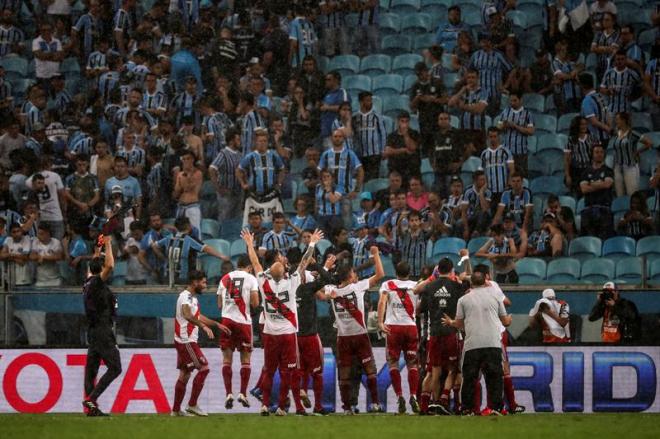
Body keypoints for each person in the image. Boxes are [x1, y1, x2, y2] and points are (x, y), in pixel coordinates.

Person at [241, 228, 322, 416]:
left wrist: (249, 244)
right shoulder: (292, 281)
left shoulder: (262, 281)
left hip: (270, 333)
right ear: (283, 271)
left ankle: (265, 405)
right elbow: (304, 262)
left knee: (269, 371)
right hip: (287, 334)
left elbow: (254, 262)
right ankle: (280, 407)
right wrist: (312, 243)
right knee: (287, 372)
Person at [441, 269, 512, 416]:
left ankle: (467, 409)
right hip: (493, 342)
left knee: (469, 378)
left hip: (472, 344)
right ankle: (497, 408)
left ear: (471, 282)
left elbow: (460, 324)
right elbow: (505, 322)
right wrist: (509, 320)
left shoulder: (464, 299)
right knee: (495, 377)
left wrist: (451, 322)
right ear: (485, 281)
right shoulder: (495, 297)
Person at [326, 245, 385, 414]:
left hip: (343, 337)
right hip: (360, 336)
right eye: (353, 273)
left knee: (344, 373)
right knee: (370, 370)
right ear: (350, 276)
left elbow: (319, 292)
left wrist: (325, 269)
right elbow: (380, 275)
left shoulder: (332, 291)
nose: (355, 275)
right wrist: (375, 254)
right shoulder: (357, 287)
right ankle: (374, 403)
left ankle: (346, 408)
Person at [171, 270, 228, 417]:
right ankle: (192, 404)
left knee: (185, 374)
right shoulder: (185, 296)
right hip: (186, 341)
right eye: (203, 282)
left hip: (186, 340)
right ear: (194, 282)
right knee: (204, 368)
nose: (205, 285)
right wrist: (203, 327)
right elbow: (186, 314)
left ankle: (176, 411)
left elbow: (197, 316)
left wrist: (216, 324)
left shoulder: (193, 298)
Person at [82, 235, 121, 417]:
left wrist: (98, 248)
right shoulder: (97, 283)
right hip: (103, 331)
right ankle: (92, 399)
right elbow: (110, 266)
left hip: (93, 331)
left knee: (92, 370)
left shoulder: (88, 282)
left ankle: (91, 409)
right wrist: (108, 244)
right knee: (115, 368)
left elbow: (95, 265)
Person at [294, 253, 337, 416]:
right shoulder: (306, 288)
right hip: (310, 336)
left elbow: (320, 294)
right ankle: (318, 406)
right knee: (317, 372)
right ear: (304, 279)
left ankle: (299, 403)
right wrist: (322, 266)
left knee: (300, 371)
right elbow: (325, 279)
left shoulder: (289, 289)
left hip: (295, 336)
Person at [217, 255, 260, 410]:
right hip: (243, 322)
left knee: (227, 359)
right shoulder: (251, 278)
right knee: (245, 358)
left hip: (226, 320)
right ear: (249, 267)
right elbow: (255, 303)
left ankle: (228, 393)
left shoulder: (225, 278)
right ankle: (242, 393)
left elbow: (219, 303)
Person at [377, 262, 421, 414]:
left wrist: (380, 322)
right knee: (412, 364)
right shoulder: (416, 286)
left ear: (396, 272)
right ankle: (414, 395)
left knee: (393, 363)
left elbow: (382, 302)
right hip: (410, 326)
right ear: (409, 272)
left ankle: (399, 396)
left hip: (393, 327)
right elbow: (420, 306)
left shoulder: (388, 284)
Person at [610, 112, 652, 197]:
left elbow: (649, 143)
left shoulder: (633, 133)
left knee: (632, 193)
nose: (616, 121)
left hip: (630, 166)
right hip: (618, 167)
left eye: (617, 119)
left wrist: (637, 152)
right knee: (619, 194)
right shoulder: (616, 133)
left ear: (624, 120)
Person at [580, 143, 615, 239]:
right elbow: (584, 189)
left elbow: (607, 184)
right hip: (589, 208)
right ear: (592, 154)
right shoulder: (586, 172)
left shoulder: (608, 171)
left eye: (601, 152)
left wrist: (591, 183)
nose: (599, 154)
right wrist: (599, 183)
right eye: (596, 152)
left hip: (605, 208)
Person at [497, 91, 535, 177]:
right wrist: (504, 125)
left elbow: (531, 131)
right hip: (506, 152)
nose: (512, 103)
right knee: (506, 176)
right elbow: (498, 128)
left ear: (521, 100)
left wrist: (515, 126)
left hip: (521, 152)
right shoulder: (505, 112)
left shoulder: (527, 114)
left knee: (521, 176)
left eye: (515, 100)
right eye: (511, 101)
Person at [353, 91, 387, 181]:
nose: (370, 102)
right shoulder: (355, 117)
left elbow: (383, 133)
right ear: (361, 102)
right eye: (367, 100)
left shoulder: (376, 116)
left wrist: (383, 149)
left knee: (373, 179)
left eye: (370, 100)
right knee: (362, 179)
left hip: (374, 153)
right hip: (360, 153)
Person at [384, 111, 422, 184]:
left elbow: (412, 148)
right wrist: (403, 150)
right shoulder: (392, 136)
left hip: (412, 170)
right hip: (396, 170)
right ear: (398, 122)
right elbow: (388, 151)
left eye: (406, 121)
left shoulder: (415, 134)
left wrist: (405, 134)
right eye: (402, 121)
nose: (404, 124)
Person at [564, 116, 598, 196]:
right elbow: (567, 159)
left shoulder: (592, 138)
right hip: (576, 171)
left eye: (585, 124)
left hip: (589, 170)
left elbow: (598, 154)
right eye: (581, 124)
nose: (584, 126)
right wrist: (567, 175)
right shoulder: (571, 140)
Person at [481, 127, 515, 204]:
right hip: (489, 190)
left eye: (495, 136)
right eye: (491, 137)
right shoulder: (484, 153)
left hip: (503, 189)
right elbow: (483, 172)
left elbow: (512, 170)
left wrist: (508, 185)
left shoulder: (506, 151)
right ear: (487, 137)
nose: (493, 139)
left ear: (499, 137)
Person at [173, 149, 203, 232]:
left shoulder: (198, 173)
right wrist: (180, 178)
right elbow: (176, 193)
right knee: (179, 232)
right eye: (184, 159)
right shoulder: (180, 174)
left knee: (195, 231)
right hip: (181, 206)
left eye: (188, 158)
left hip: (192, 206)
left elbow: (188, 187)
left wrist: (187, 175)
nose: (186, 161)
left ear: (193, 159)